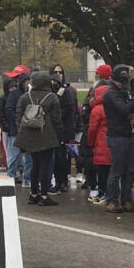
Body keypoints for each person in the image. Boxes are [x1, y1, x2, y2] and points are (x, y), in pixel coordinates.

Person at [15, 70, 63, 206]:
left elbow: (18, 117)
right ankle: (44, 195)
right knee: (45, 165)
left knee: (34, 164)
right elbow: (56, 119)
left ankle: (33, 193)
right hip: (46, 134)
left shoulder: (25, 97)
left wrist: (21, 133)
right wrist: (59, 137)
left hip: (29, 134)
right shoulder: (52, 97)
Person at [102, 65, 134, 213]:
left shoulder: (124, 92)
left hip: (128, 134)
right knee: (117, 169)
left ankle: (126, 199)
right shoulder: (111, 93)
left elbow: (132, 111)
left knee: (130, 170)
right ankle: (111, 199)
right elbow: (123, 109)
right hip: (117, 135)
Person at [50, 64, 80, 192]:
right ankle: (58, 181)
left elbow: (69, 108)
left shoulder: (67, 90)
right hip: (53, 130)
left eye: (60, 72)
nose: (58, 74)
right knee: (56, 157)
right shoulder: (50, 90)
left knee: (63, 157)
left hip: (65, 129)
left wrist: (56, 116)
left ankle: (63, 181)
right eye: (55, 72)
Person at [85, 85, 112, 203]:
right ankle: (111, 192)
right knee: (112, 170)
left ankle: (102, 192)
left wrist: (90, 142)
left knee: (102, 170)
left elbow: (92, 129)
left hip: (100, 142)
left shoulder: (97, 109)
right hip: (113, 142)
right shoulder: (113, 107)